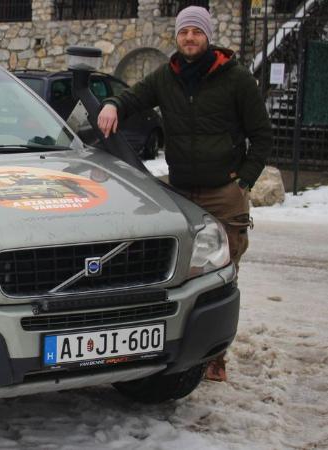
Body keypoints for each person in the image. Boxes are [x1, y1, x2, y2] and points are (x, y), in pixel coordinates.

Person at [97, 6, 272, 382]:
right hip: (182, 194)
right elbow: (134, 98)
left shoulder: (236, 79)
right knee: (180, 277)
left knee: (222, 275)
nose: (189, 39)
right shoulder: (166, 76)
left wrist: (243, 181)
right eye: (183, 33)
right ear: (176, 38)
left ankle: (215, 355)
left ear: (207, 36)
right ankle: (175, 350)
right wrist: (112, 104)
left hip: (224, 192)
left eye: (196, 32)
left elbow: (262, 135)